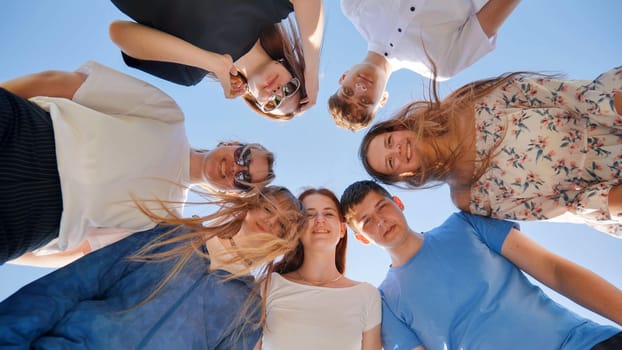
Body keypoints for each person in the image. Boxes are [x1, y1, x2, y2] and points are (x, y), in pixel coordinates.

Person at [1, 61, 276, 266]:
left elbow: (82, 251)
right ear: (230, 144)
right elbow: (67, 85)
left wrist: (14, 253)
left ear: (233, 192)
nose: (235, 168)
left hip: (34, 217)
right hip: (31, 134)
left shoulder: (166, 221)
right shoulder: (168, 115)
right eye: (244, 157)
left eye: (244, 179)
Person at [0, 186, 306, 349]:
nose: (268, 221)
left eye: (282, 224)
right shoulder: (171, 236)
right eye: (267, 208)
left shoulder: (248, 309)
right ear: (249, 206)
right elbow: (68, 287)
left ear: (284, 241)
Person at [340, 180, 622, 349]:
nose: (380, 221)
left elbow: (554, 271)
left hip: (585, 342)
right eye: (367, 222)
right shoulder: (385, 302)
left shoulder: (465, 225)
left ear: (398, 203)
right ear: (362, 239)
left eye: (382, 207)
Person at [360, 66, 622, 237]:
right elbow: (561, 207)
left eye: (389, 141)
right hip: (612, 188)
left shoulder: (466, 102)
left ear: (397, 128)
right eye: (391, 161)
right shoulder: (466, 196)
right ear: (405, 175)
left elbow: (565, 96)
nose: (397, 150)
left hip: (610, 117)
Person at [108, 0, 324, 120]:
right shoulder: (270, 8)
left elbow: (119, 33)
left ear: (254, 100)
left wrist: (212, 63)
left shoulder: (190, 72)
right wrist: (312, 68)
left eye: (273, 104)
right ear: (290, 68)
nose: (277, 93)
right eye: (289, 89)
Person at [329, 0, 520, 130]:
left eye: (348, 92)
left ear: (343, 77)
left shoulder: (353, 6)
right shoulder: (442, 66)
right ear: (382, 100)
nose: (360, 88)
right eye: (365, 101)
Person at [257, 188, 381, 350]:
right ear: (297, 229)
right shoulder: (269, 285)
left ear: (342, 229)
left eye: (328, 214)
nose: (319, 219)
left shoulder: (367, 295)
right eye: (309, 215)